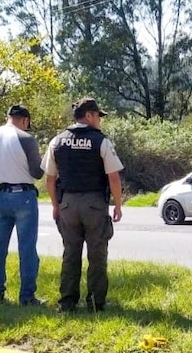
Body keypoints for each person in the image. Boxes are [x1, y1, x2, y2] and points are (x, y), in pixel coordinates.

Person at [41, 97, 124, 313]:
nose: (100, 120)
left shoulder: (56, 141)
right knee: (97, 254)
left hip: (67, 203)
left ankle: (67, 303)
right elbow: (113, 177)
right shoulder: (101, 141)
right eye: (98, 115)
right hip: (94, 204)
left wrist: (56, 205)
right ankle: (96, 303)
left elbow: (49, 179)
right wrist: (118, 204)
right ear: (88, 115)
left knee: (70, 253)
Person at [0, 104, 44, 305]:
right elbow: (37, 172)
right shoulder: (25, 138)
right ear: (25, 120)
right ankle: (27, 296)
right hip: (23, 195)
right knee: (27, 247)